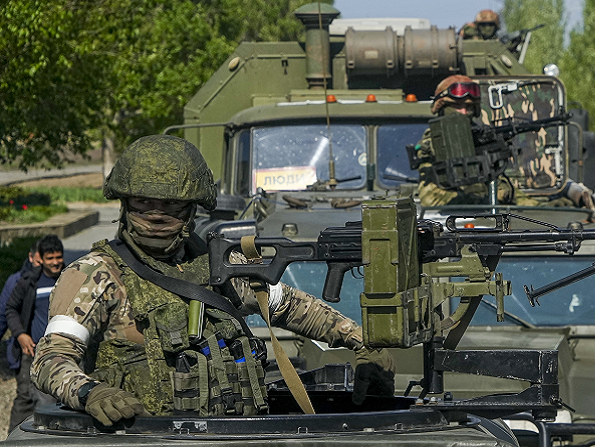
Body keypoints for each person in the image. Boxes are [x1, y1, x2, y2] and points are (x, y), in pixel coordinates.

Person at [30, 135, 395, 427]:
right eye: (144, 203)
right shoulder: (95, 275)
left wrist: (365, 344)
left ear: (191, 209)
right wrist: (90, 393)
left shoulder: (218, 264)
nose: (157, 216)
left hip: (237, 445)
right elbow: (49, 360)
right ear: (125, 205)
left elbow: (293, 307)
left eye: (171, 205)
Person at [416, 75, 595, 210]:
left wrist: (540, 208)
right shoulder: (435, 139)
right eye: (457, 106)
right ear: (442, 107)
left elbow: (505, 191)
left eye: (469, 107)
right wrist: (487, 201)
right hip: (447, 219)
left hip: (484, 216)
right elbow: (431, 198)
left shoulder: (477, 137)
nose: (464, 112)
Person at [5, 235, 63, 432]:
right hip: (33, 350)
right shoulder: (29, 281)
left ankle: (52, 439)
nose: (55, 263)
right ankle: (13, 442)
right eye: (50, 258)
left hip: (63, 350)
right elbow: (10, 309)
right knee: (25, 397)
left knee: (57, 398)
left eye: (58, 257)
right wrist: (20, 334)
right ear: (41, 258)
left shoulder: (71, 277)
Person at [1, 241, 41, 375]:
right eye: (38, 263)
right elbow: (3, 316)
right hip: (24, 352)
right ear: (31, 257)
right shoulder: (16, 282)